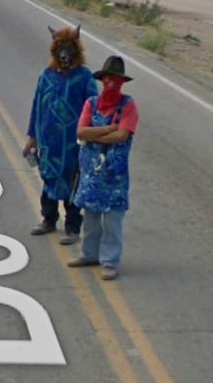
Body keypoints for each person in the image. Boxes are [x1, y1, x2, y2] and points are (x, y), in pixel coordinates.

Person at [23, 25, 98, 245]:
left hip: (74, 143)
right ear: (55, 52)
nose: (65, 55)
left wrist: (93, 138)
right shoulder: (46, 76)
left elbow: (94, 107)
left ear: (76, 50)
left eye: (69, 49)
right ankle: (48, 220)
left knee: (73, 182)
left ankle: (72, 228)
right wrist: (32, 138)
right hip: (49, 141)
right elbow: (37, 106)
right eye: (61, 50)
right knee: (49, 179)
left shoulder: (85, 77)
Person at [68, 56, 139, 280]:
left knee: (112, 221)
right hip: (91, 173)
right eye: (108, 77)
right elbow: (80, 132)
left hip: (114, 177)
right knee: (90, 217)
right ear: (102, 79)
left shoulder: (128, 105)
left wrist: (95, 135)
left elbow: (123, 135)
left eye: (115, 78)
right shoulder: (92, 103)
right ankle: (89, 254)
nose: (111, 82)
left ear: (121, 81)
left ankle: (110, 261)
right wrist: (110, 128)